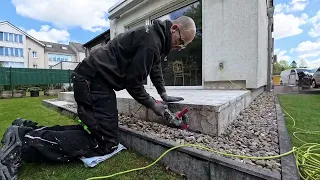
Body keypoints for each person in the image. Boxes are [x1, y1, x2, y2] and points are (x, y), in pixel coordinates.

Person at [0, 15, 196, 180]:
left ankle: (23, 131)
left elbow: (154, 67)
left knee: (99, 132)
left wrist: (163, 94)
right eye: (180, 41)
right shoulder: (151, 42)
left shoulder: (155, 40)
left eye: (183, 46)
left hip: (98, 81)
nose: (179, 47)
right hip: (92, 81)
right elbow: (133, 83)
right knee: (105, 142)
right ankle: (23, 145)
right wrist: (155, 106)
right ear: (175, 28)